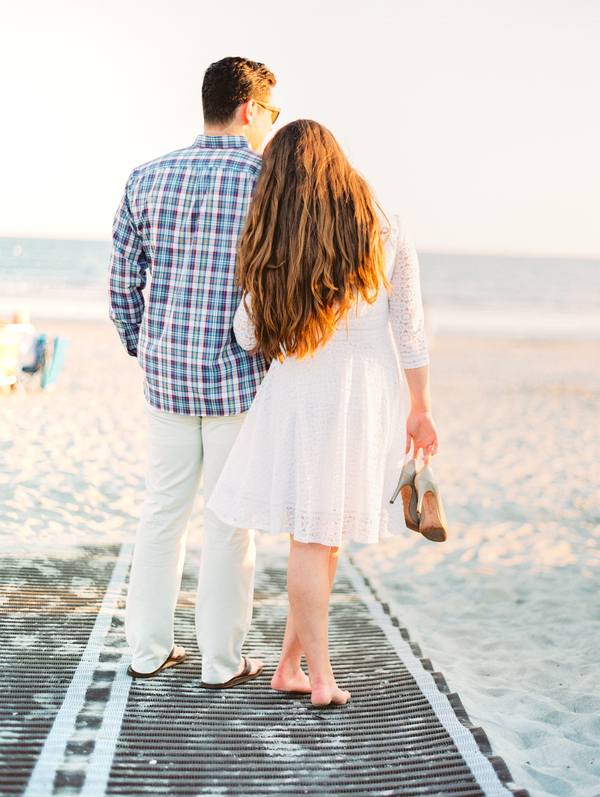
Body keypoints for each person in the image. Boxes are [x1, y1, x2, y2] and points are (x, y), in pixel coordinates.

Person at [207, 119, 442, 706]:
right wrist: (422, 407)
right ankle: (323, 678)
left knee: (320, 534)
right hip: (366, 390)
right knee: (320, 536)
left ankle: (291, 667)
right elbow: (410, 329)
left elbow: (246, 335)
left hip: (302, 389)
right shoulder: (384, 227)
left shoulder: (278, 238)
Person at [109, 56, 279, 688]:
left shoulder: (146, 177)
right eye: (272, 112)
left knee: (162, 511)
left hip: (166, 379)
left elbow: (124, 285)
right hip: (239, 380)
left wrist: (143, 346)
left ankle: (149, 651)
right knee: (229, 522)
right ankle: (220, 663)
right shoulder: (269, 181)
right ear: (250, 109)